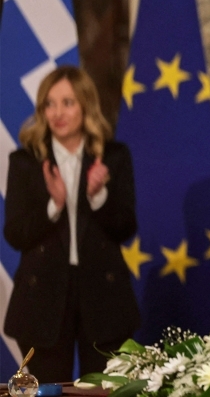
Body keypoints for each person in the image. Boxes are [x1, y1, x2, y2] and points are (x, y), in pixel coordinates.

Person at [3, 66, 139, 382]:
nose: (57, 113)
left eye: (67, 102)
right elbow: (15, 233)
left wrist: (98, 196)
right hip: (43, 300)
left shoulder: (113, 157)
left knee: (104, 389)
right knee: (48, 389)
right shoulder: (25, 161)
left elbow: (125, 228)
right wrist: (55, 205)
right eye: (49, 104)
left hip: (103, 297)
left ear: (86, 106)